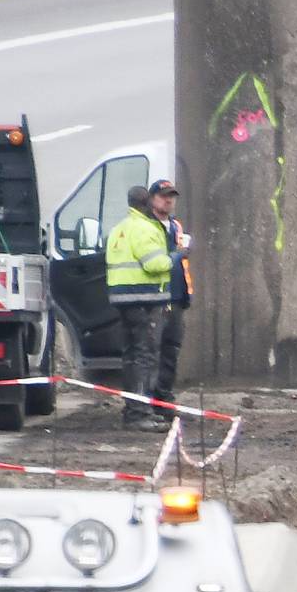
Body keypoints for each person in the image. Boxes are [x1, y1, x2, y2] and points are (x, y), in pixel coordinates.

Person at [103, 185, 181, 428]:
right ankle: (139, 413)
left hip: (123, 300)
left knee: (132, 356)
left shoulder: (119, 228)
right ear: (146, 202)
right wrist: (177, 256)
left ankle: (135, 409)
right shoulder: (144, 228)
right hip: (144, 300)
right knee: (145, 356)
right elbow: (154, 264)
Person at [148, 179, 192, 409]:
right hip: (155, 297)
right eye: (163, 195)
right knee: (152, 351)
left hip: (176, 298)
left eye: (171, 196)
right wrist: (178, 255)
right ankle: (149, 399)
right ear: (152, 198)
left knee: (170, 350)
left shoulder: (175, 226)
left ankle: (163, 397)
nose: (168, 200)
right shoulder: (147, 226)